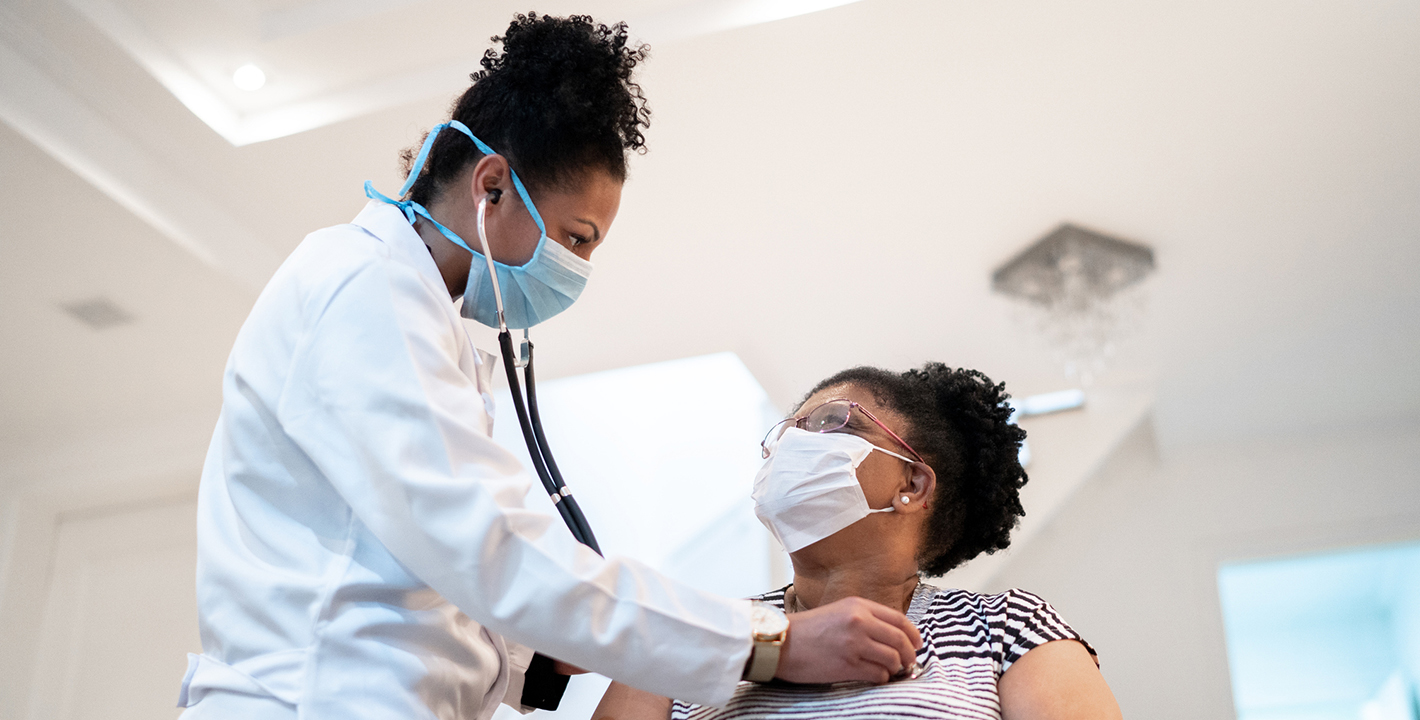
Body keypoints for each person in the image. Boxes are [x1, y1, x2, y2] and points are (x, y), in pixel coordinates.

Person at [177, 14, 920, 720]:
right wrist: (769, 644)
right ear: (492, 185)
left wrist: (533, 653)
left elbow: (422, 568)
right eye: (577, 236)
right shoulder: (363, 289)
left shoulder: (428, 320)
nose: (577, 268)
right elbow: (489, 546)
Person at [593, 363, 1122, 720]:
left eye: (831, 422)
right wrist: (770, 648)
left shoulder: (1005, 629)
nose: (793, 446)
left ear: (911, 484)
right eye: (787, 432)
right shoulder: (691, 631)